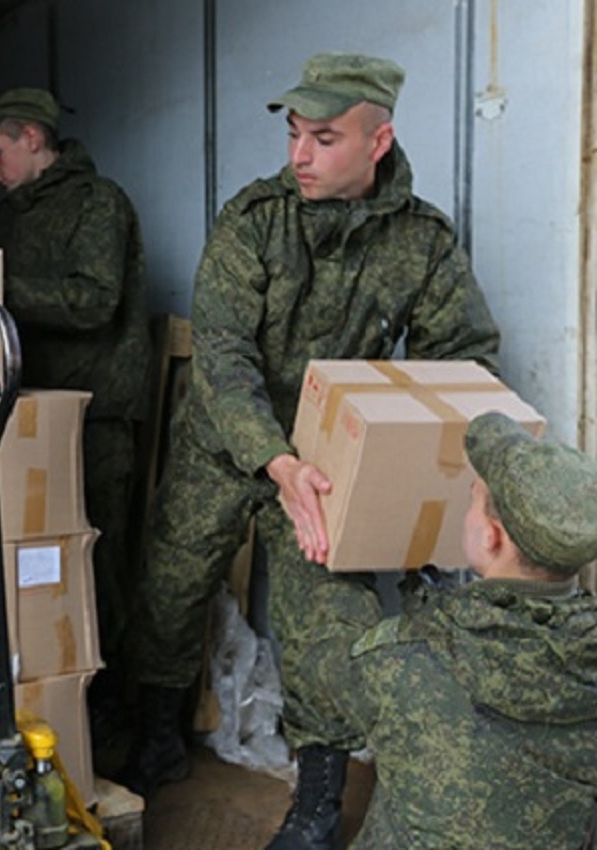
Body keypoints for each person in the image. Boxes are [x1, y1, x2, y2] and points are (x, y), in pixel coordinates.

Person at [121, 51, 502, 845]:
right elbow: (222, 353)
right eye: (295, 134)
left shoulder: (422, 241)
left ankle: (317, 803)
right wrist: (273, 458)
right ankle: (152, 734)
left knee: (330, 625)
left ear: (378, 140)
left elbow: (463, 355)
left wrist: (404, 454)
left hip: (329, 462)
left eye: (323, 138)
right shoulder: (254, 219)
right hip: (228, 440)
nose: (299, 155)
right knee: (170, 585)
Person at [292, 411, 597, 849]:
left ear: (492, 537)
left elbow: (324, 664)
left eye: (472, 498)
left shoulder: (407, 665)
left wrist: (330, 558)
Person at [0, 88, 153, 740]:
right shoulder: (13, 216)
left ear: (32, 139)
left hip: (95, 416)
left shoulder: (98, 203)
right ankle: (67, 710)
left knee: (100, 567)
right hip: (31, 414)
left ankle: (127, 721)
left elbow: (94, 301)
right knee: (44, 569)